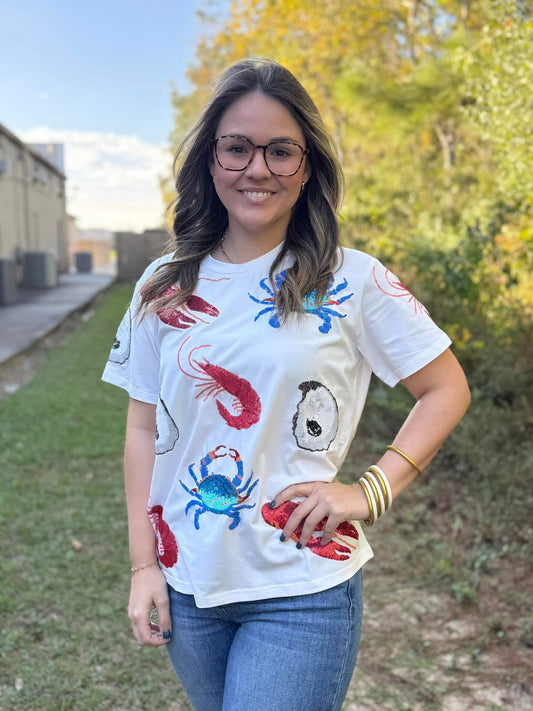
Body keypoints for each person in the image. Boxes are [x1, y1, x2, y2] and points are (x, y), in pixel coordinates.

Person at [102, 57, 470, 711]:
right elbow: (141, 427)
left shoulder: (351, 279)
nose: (257, 169)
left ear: (306, 166)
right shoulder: (162, 283)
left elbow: (445, 387)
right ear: (210, 161)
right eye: (237, 148)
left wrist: (369, 490)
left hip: (301, 589)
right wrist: (142, 566)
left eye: (280, 151)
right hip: (189, 585)